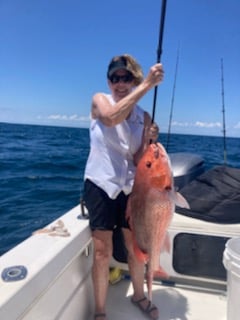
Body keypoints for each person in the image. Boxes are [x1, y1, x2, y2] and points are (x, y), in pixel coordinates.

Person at [83, 54, 164, 320]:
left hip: (131, 188)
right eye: (114, 78)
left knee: (134, 245)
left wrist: (150, 140)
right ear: (108, 81)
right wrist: (146, 87)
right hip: (100, 183)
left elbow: (139, 160)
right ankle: (100, 311)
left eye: (125, 77)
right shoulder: (100, 101)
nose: (119, 83)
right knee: (103, 249)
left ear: (133, 79)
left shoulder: (144, 115)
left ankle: (139, 295)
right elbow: (110, 119)